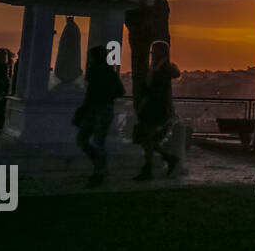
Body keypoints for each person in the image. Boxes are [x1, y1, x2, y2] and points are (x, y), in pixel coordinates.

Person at [76, 46, 125, 188]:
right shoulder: (109, 72)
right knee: (96, 141)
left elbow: (90, 93)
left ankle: (99, 170)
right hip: (101, 109)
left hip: (97, 109)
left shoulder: (97, 72)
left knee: (87, 140)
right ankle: (100, 167)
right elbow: (120, 91)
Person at [132, 40, 180, 181]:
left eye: (154, 51)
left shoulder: (163, 69)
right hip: (152, 108)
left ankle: (151, 168)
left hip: (155, 109)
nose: (152, 53)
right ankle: (166, 160)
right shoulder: (157, 68)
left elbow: (156, 88)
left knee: (147, 139)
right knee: (148, 140)